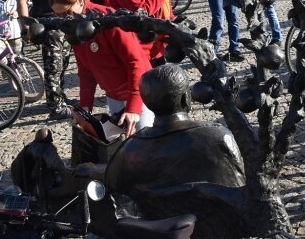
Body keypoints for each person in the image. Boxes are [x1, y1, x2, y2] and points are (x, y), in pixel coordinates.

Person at [103, 65, 245, 235]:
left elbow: (112, 188)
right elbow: (242, 194)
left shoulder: (130, 149)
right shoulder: (218, 138)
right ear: (186, 98)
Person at [51, 0, 154, 135]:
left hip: (141, 92)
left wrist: (133, 107)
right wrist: (85, 106)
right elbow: (85, 71)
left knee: (146, 143)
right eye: (58, 15)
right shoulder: (75, 27)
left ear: (79, 1)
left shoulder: (107, 20)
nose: (64, 19)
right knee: (121, 146)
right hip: (114, 95)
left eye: (66, 12)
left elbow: (135, 62)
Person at [18, 0, 70, 119]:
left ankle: (60, 97)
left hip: (64, 22)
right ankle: (55, 106)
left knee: (63, 64)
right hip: (47, 24)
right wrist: (25, 27)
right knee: (53, 66)